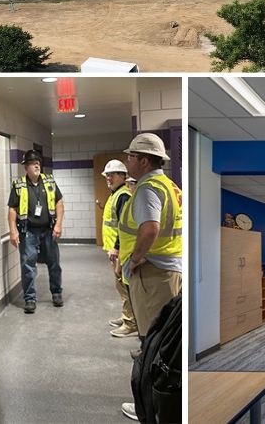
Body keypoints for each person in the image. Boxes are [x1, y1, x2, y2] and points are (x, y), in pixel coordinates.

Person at [119, 134, 182, 422]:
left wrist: (134, 259)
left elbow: (150, 229)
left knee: (152, 342)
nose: (127, 161)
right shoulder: (170, 185)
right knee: (165, 341)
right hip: (169, 270)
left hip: (154, 274)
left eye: (131, 157)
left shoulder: (147, 189)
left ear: (143, 160)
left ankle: (149, 405)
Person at [7, 149, 65, 312]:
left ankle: (56, 293)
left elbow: (59, 203)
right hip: (28, 231)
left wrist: (58, 224)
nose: (36, 165)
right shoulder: (18, 185)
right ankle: (30, 299)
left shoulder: (49, 181)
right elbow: (12, 209)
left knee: (54, 263)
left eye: (38, 162)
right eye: (33, 163)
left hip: (49, 229)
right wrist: (13, 231)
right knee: (28, 265)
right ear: (26, 167)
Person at [101, 159, 138, 338]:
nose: (108, 178)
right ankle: (127, 317)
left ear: (123, 176)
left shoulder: (123, 196)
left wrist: (116, 249)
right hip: (116, 250)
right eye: (107, 175)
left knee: (124, 285)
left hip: (122, 250)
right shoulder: (115, 194)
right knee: (121, 285)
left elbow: (124, 227)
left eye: (112, 174)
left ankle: (130, 322)